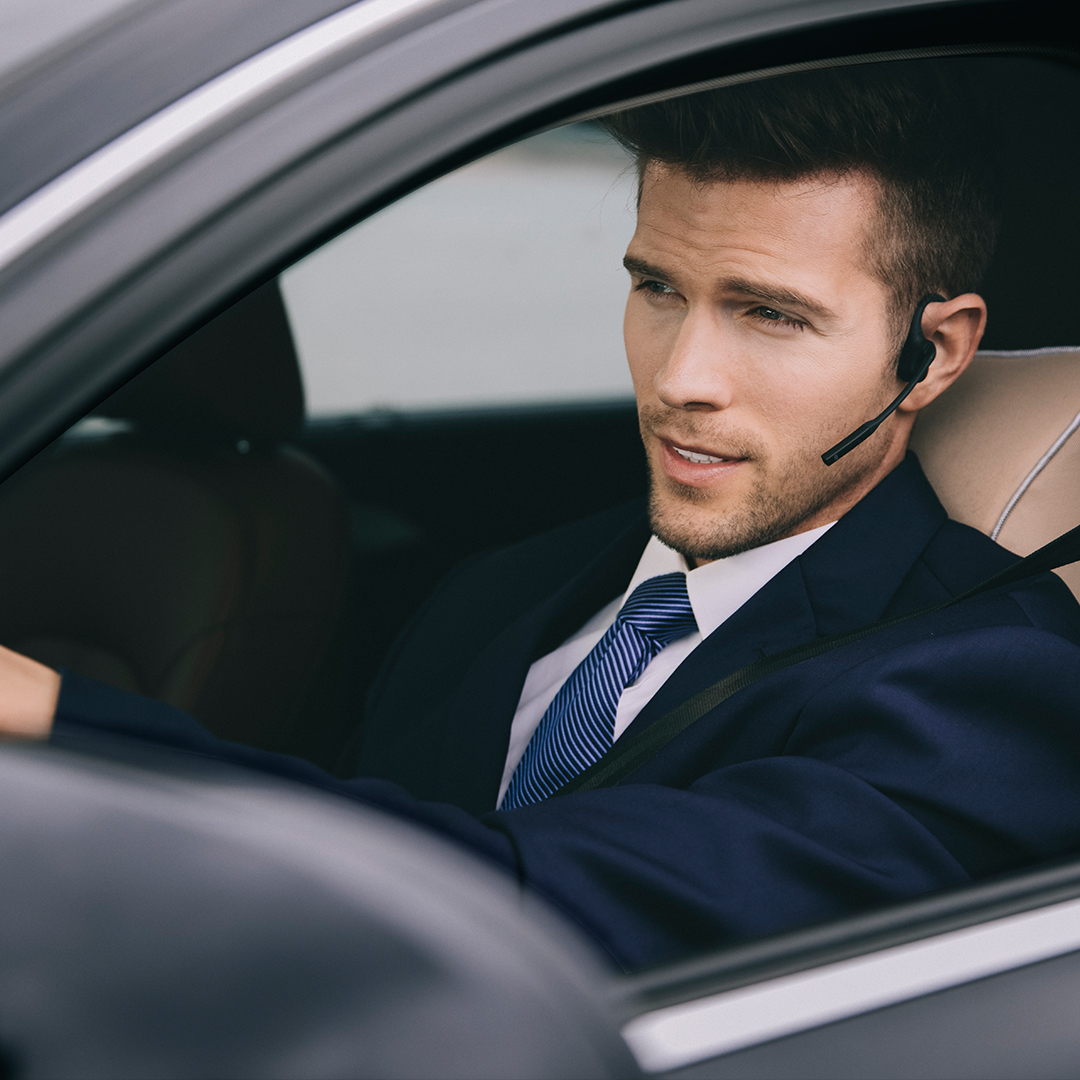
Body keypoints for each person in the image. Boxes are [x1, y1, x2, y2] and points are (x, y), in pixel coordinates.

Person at [4, 62, 1080, 973]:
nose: (681, 378)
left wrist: (65, 724)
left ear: (933, 353)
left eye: (770, 315)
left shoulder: (988, 684)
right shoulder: (501, 590)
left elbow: (529, 910)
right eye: (659, 290)